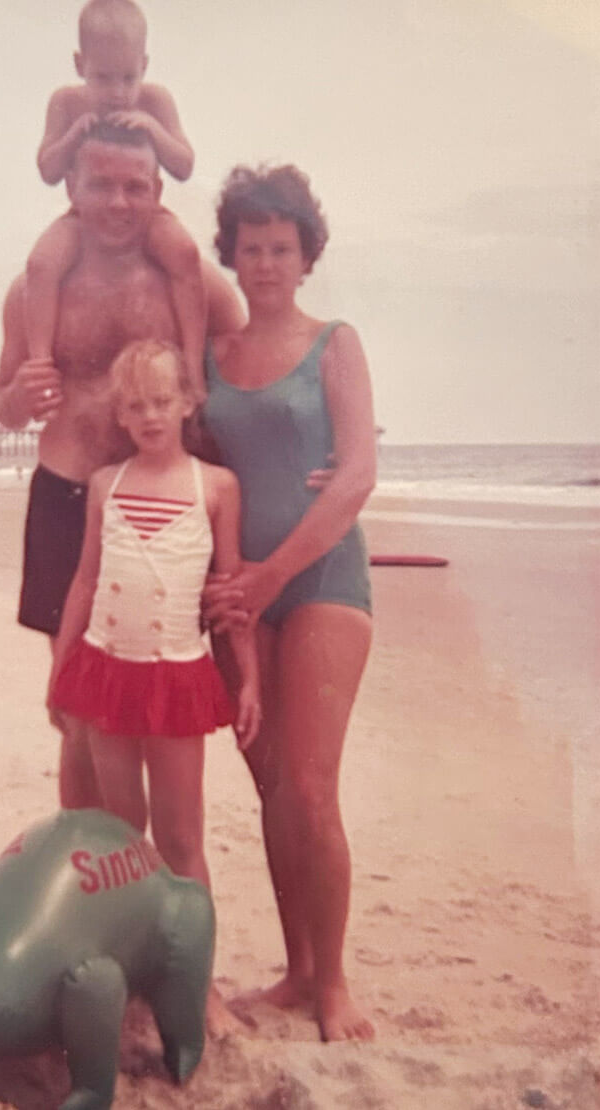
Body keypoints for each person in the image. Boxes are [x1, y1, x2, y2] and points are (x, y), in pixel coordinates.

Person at [0, 120, 245, 813]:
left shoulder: (185, 284)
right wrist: (17, 398)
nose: (119, 202)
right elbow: (1, 400)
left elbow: (250, 360)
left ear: (159, 190)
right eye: (100, 184)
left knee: (156, 698)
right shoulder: (33, 291)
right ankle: (87, 872)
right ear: (71, 188)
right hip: (69, 494)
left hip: (162, 508)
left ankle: (141, 876)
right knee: (79, 712)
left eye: (136, 187)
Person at [202, 164, 378, 1043]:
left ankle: (336, 983)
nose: (265, 262)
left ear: (306, 256)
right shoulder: (211, 358)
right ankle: (296, 970)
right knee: (271, 786)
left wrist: (272, 575)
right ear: (229, 255)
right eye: (250, 247)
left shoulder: (334, 343)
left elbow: (355, 477)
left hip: (320, 584)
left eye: (282, 247)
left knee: (311, 789)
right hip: (238, 602)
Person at [47, 339, 260, 892]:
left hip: (176, 675)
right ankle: (132, 951)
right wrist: (59, 671)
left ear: (188, 403)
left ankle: (192, 974)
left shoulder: (215, 486)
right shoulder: (105, 485)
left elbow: (230, 591)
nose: (150, 415)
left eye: (162, 401)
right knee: (121, 831)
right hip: (104, 670)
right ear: (120, 414)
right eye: (136, 405)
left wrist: (250, 677)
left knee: (181, 838)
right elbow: (86, 581)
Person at [26, 0, 206, 396]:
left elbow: (184, 165)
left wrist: (154, 130)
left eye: (128, 78)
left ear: (144, 65)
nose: (118, 92)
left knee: (186, 255)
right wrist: (73, 135)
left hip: (148, 209)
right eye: (103, 78)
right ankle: (41, 367)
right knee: (40, 264)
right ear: (79, 65)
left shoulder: (155, 100)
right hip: (83, 213)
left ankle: (193, 365)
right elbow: (48, 170)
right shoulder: (66, 102)